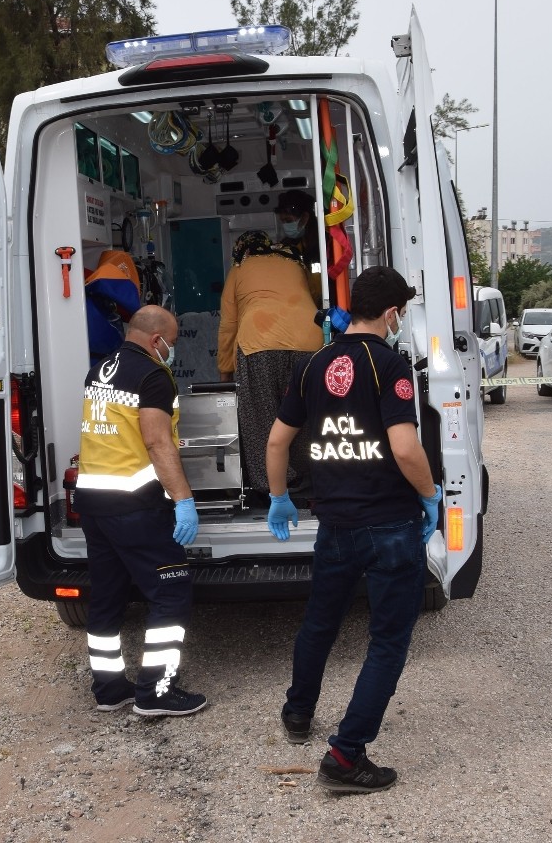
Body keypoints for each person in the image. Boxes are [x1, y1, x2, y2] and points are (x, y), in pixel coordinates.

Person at [263, 266, 441, 794]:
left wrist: (277, 497)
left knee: (320, 623)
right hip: (389, 523)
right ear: (391, 313)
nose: (402, 319)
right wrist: (430, 496)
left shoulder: (314, 365)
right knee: (387, 640)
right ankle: (345, 756)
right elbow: (405, 447)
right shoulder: (392, 365)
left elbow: (276, 441)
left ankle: (298, 715)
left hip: (334, 523)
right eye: (402, 311)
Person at [77, 305, 207, 718]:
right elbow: (156, 443)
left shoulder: (100, 369)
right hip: (134, 503)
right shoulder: (152, 376)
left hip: (93, 500)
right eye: (174, 341)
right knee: (170, 590)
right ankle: (156, 691)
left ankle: (109, 688)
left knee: (108, 596)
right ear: (157, 340)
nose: (173, 349)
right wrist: (183, 500)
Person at [216, 230, 323, 497]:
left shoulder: (240, 269)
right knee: (304, 413)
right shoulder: (294, 261)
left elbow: (228, 325)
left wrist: (225, 372)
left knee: (261, 415)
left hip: (259, 343)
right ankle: (308, 479)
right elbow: (316, 296)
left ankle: (272, 486)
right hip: (309, 341)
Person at [275, 189, 321, 276]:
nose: (285, 225)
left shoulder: (324, 244)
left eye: (288, 221)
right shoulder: (287, 245)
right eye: (282, 221)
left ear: (305, 217)